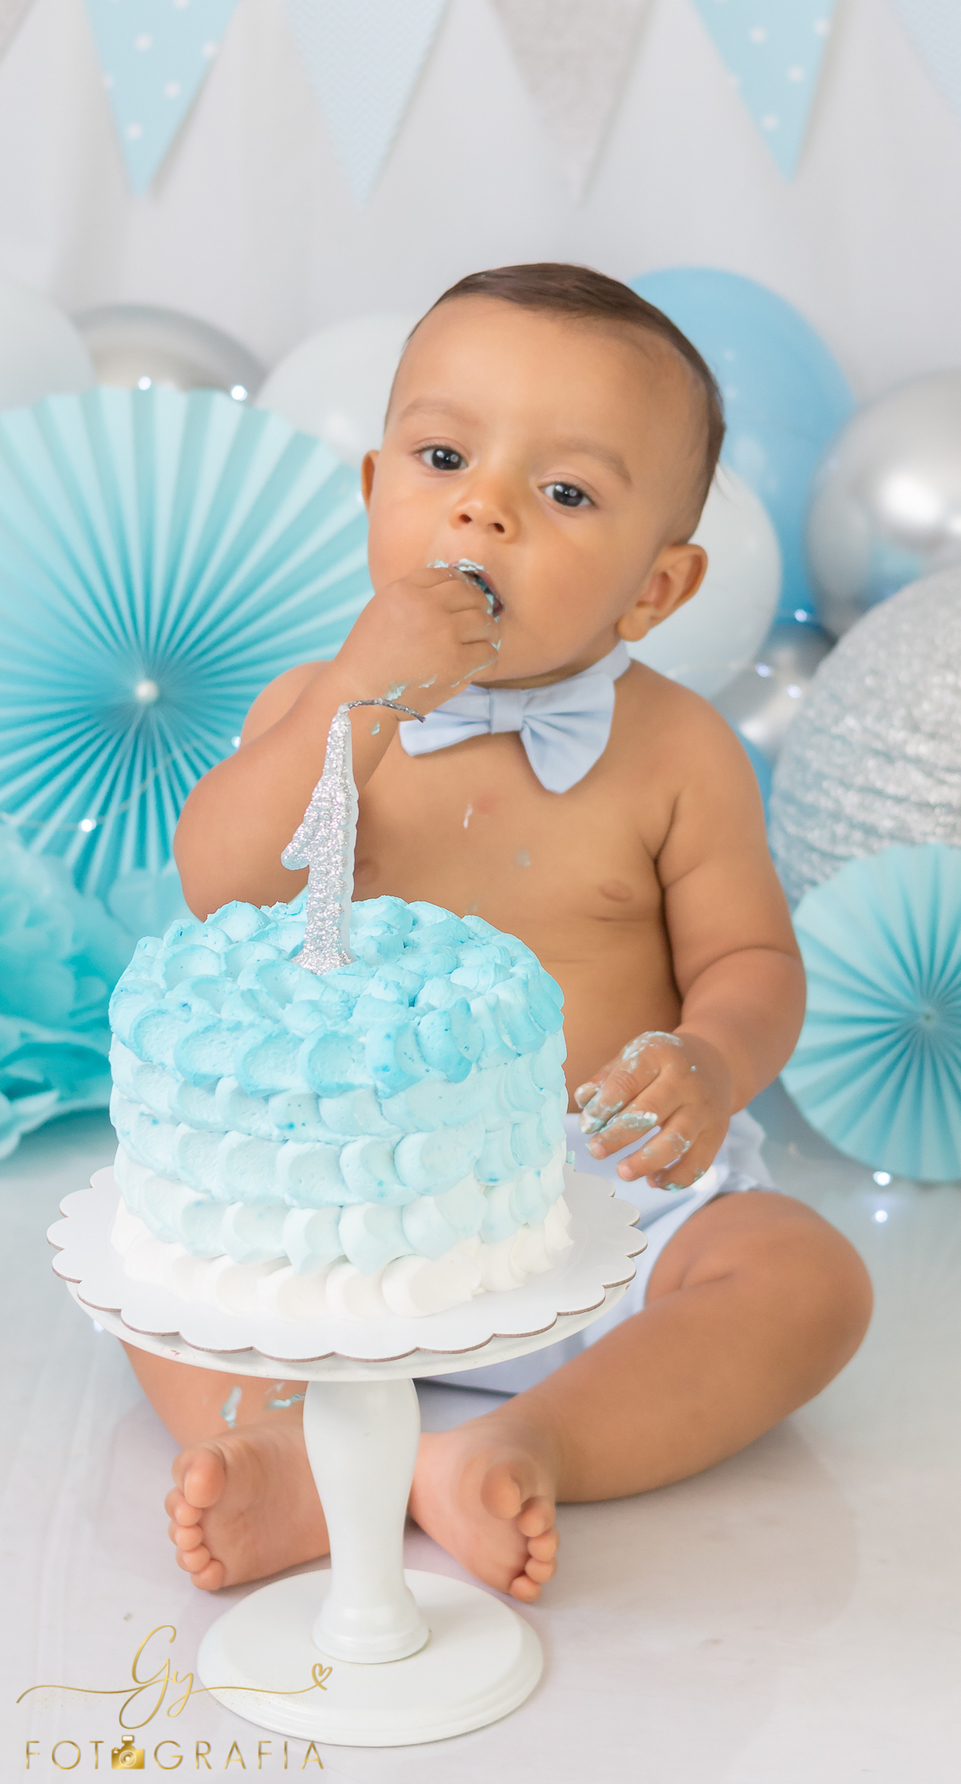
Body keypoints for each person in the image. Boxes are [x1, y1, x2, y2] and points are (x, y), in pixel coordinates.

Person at [127, 263, 872, 1604]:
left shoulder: (677, 754)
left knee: (805, 1279)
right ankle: (299, 1457)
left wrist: (708, 1060)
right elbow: (219, 888)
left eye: (567, 492)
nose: (484, 506)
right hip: (339, 1205)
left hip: (607, 1202)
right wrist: (354, 695)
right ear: (372, 495)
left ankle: (522, 1442)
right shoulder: (317, 709)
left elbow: (751, 965)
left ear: (655, 588)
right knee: (160, 1265)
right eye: (444, 455)